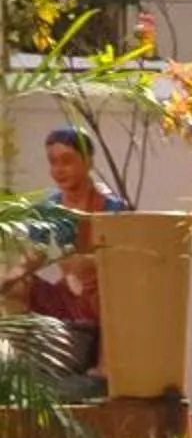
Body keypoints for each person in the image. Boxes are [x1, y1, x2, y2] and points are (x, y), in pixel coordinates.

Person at [2, 128, 126, 376]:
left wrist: (88, 263)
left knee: (113, 291)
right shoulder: (50, 207)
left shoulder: (110, 205)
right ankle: (18, 366)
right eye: (53, 162)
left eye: (67, 161)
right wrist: (8, 278)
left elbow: (121, 257)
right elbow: (34, 255)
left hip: (100, 294)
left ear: (88, 161)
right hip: (66, 296)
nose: (59, 169)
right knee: (14, 287)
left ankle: (106, 366)